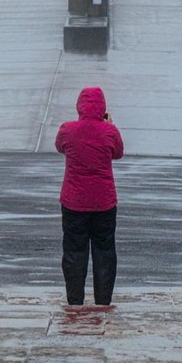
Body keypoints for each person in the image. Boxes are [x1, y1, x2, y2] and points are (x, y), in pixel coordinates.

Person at [55, 86, 124, 306]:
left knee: (75, 251)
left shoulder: (67, 130)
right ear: (102, 107)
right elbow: (118, 153)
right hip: (104, 202)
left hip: (74, 202)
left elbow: (60, 147)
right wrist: (109, 126)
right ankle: (103, 300)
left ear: (80, 106)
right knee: (104, 251)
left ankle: (75, 300)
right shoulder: (109, 131)